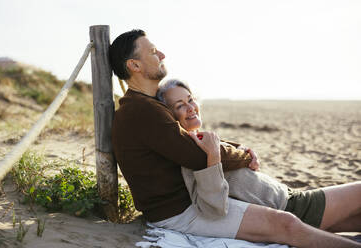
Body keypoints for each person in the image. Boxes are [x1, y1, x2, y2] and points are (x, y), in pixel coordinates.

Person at [109, 29, 361, 247]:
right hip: (180, 212)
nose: (161, 55)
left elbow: (194, 143)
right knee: (286, 223)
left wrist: (236, 147)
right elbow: (197, 154)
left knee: (306, 219)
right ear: (135, 65)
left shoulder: (147, 105)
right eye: (153, 51)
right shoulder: (142, 110)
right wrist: (243, 154)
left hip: (188, 204)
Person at [156, 78, 361, 229]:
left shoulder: (201, 141)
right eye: (180, 105)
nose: (191, 108)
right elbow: (213, 207)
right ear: (170, 116)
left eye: (190, 100)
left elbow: (229, 156)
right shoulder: (190, 155)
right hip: (293, 207)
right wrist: (214, 158)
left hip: (287, 196)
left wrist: (243, 152)